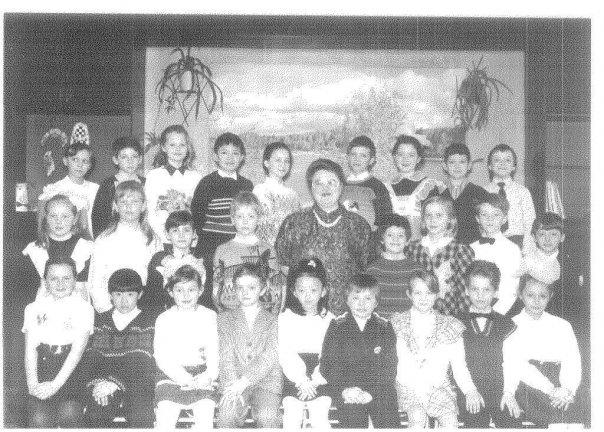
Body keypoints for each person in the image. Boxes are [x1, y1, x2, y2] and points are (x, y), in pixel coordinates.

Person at [276, 158, 372, 315]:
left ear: (341, 186)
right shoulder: (293, 223)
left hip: (346, 313)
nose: (325, 188)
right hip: (304, 311)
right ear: (311, 188)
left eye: (331, 182)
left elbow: (366, 269)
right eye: (318, 183)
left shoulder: (358, 225)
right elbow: (283, 265)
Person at [391, 270, 479, 428]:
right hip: (407, 387)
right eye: (418, 293)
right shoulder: (397, 323)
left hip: (437, 387)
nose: (423, 298)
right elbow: (392, 363)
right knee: (417, 417)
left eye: (429, 293)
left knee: (450, 421)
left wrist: (470, 390)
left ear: (437, 295)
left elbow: (459, 366)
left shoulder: (449, 326)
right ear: (409, 294)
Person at [23, 256, 94, 428]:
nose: (60, 284)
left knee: (69, 414)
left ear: (75, 280)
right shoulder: (33, 308)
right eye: (54, 278)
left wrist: (55, 386)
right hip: (43, 368)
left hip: (72, 371)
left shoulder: (84, 309)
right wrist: (33, 385)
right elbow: (30, 351)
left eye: (66, 278)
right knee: (39, 419)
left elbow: (77, 352)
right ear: (45, 281)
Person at [320, 273, 399, 428]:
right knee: (353, 419)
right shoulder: (337, 326)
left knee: (387, 417)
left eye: (368, 298)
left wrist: (371, 393)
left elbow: (389, 367)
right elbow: (328, 365)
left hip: (379, 389)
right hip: (348, 389)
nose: (361, 304)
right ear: (347, 300)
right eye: (356, 298)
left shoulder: (384, 327)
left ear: (376, 302)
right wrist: (344, 390)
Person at [81, 268, 155, 428]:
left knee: (140, 414)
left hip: (137, 384)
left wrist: (116, 383)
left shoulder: (149, 321)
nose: (124, 301)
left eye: (130, 294)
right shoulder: (100, 322)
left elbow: (143, 362)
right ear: (110, 295)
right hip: (104, 383)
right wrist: (99, 384)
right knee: (96, 414)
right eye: (118, 294)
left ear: (140, 294)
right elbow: (92, 359)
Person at [504, 277, 582, 428]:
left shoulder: (563, 326)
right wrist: (551, 390)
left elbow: (572, 360)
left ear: (550, 296)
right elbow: (517, 366)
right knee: (554, 417)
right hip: (530, 383)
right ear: (520, 295)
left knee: (578, 411)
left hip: (561, 381)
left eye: (542, 296)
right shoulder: (512, 325)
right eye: (530, 295)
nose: (536, 301)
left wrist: (568, 390)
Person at [456, 260, 522, 428]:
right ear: (466, 290)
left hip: (499, 389)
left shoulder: (506, 325)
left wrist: (509, 392)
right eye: (475, 289)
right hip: (468, 388)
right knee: (475, 422)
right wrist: (469, 390)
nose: (480, 295)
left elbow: (512, 363)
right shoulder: (455, 323)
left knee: (512, 420)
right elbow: (458, 364)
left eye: (486, 290)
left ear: (496, 292)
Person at [190, 132, 254, 307]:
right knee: (210, 298)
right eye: (224, 152)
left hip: (238, 249)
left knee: (236, 296)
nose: (230, 157)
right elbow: (197, 218)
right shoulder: (206, 183)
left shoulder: (247, 185)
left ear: (242, 157)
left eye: (235, 153)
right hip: (210, 250)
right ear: (216, 156)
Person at [216, 263, 282, 428]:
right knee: (227, 415)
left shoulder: (274, 320)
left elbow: (270, 356)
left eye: (251, 287)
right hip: (234, 381)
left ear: (263, 289)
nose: (245, 292)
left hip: (266, 382)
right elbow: (226, 355)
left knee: (268, 417)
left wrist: (244, 382)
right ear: (234, 289)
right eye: (240, 288)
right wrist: (233, 385)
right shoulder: (224, 319)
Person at [154, 265, 219, 430]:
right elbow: (161, 356)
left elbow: (215, 351)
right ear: (170, 292)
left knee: (205, 416)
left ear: (201, 290)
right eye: (179, 290)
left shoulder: (210, 316)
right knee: (165, 417)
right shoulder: (164, 319)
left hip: (202, 376)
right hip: (171, 376)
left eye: (191, 290)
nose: (185, 295)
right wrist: (183, 378)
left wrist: (209, 375)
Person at [89, 180, 162, 313]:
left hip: (144, 306)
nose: (129, 207)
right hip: (112, 307)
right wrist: (107, 310)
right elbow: (96, 280)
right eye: (123, 202)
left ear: (143, 206)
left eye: (134, 202)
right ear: (115, 206)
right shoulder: (104, 240)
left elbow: (158, 278)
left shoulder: (153, 239)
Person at [279, 258, 334, 429]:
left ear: (323, 291)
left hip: (321, 376)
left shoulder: (330, 320)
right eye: (302, 290)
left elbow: (330, 355)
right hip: (293, 377)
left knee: (320, 414)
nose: (307, 295)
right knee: (291, 413)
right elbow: (285, 352)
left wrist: (315, 381)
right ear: (294, 292)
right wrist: (301, 380)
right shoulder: (285, 318)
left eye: (313, 290)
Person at [213, 191, 285, 313]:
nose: (245, 221)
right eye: (240, 216)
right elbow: (216, 289)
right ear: (232, 219)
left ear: (258, 219)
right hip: (230, 315)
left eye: (250, 216)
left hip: (260, 316)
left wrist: (272, 316)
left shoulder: (268, 250)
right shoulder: (221, 250)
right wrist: (222, 314)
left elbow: (276, 288)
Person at [405, 195, 474, 315]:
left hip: (449, 314)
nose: (433, 220)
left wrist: (462, 319)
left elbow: (464, 292)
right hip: (418, 314)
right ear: (423, 219)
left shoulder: (460, 250)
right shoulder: (412, 248)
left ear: (450, 219)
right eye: (428, 215)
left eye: (439, 215)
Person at [22, 194, 92, 302]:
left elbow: (84, 287)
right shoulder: (34, 249)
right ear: (46, 218)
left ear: (75, 219)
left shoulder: (85, 248)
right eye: (53, 216)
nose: (58, 221)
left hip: (77, 305)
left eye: (65, 216)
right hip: (43, 305)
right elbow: (27, 289)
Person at [145, 125, 202, 245]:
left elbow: (199, 212)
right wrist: (166, 237)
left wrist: (188, 238)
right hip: (162, 239)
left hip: (189, 241)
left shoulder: (196, 177)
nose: (177, 149)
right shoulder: (153, 176)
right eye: (172, 145)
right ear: (163, 147)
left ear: (188, 148)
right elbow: (150, 212)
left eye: (182, 145)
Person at [143, 210, 206, 317]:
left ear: (194, 234)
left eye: (186, 230)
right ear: (167, 234)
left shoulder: (201, 261)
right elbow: (151, 298)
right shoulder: (158, 259)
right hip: (164, 317)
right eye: (175, 230)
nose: (181, 235)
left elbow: (205, 298)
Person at [470, 193, 522, 317]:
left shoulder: (512, 249)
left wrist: (492, 316)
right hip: (472, 309)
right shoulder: (470, 248)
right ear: (477, 218)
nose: (490, 219)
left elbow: (510, 291)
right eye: (484, 214)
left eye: (496, 214)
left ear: (504, 219)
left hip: (499, 312)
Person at [38, 141, 99, 238]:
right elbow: (42, 225)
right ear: (65, 161)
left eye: (85, 161)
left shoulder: (96, 189)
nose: (80, 165)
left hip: (93, 241)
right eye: (75, 159)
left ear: (89, 165)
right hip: (65, 242)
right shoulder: (55, 189)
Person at [388, 134, 443, 240]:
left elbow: (434, 220)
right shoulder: (385, 187)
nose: (405, 159)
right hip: (393, 243)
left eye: (411, 155)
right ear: (394, 157)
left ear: (418, 158)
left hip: (419, 243)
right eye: (400, 154)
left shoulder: (428, 186)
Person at [366, 213, 422, 318]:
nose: (395, 239)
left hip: (408, 325)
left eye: (400, 235)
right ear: (382, 239)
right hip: (380, 325)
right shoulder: (372, 270)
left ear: (407, 241)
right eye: (390, 235)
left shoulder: (417, 270)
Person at [91, 136, 145, 238]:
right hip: (113, 237)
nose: (130, 161)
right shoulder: (108, 184)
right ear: (115, 160)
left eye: (134, 156)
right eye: (124, 157)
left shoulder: (145, 183)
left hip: (141, 236)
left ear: (140, 159)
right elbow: (98, 217)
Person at [485, 144, 536, 248]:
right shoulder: (483, 191)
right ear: (489, 166)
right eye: (497, 160)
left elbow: (530, 222)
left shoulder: (523, 192)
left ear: (514, 167)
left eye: (507, 160)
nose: (502, 163)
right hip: (491, 241)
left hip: (517, 241)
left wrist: (527, 246)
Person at [439, 143, 490, 245]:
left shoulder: (480, 193)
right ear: (444, 165)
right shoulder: (436, 192)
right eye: (452, 162)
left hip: (472, 247)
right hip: (442, 247)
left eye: (462, 162)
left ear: (469, 165)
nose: (457, 166)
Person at [252, 141, 301, 246]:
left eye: (286, 161)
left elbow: (296, 227)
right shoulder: (259, 191)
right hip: (265, 249)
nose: (283, 164)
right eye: (278, 160)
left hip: (288, 249)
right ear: (266, 163)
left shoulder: (293, 195)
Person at [341, 135, 392, 228]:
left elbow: (385, 219)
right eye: (353, 154)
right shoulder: (339, 184)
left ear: (371, 160)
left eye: (363, 156)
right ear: (347, 157)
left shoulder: (378, 187)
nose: (357, 159)